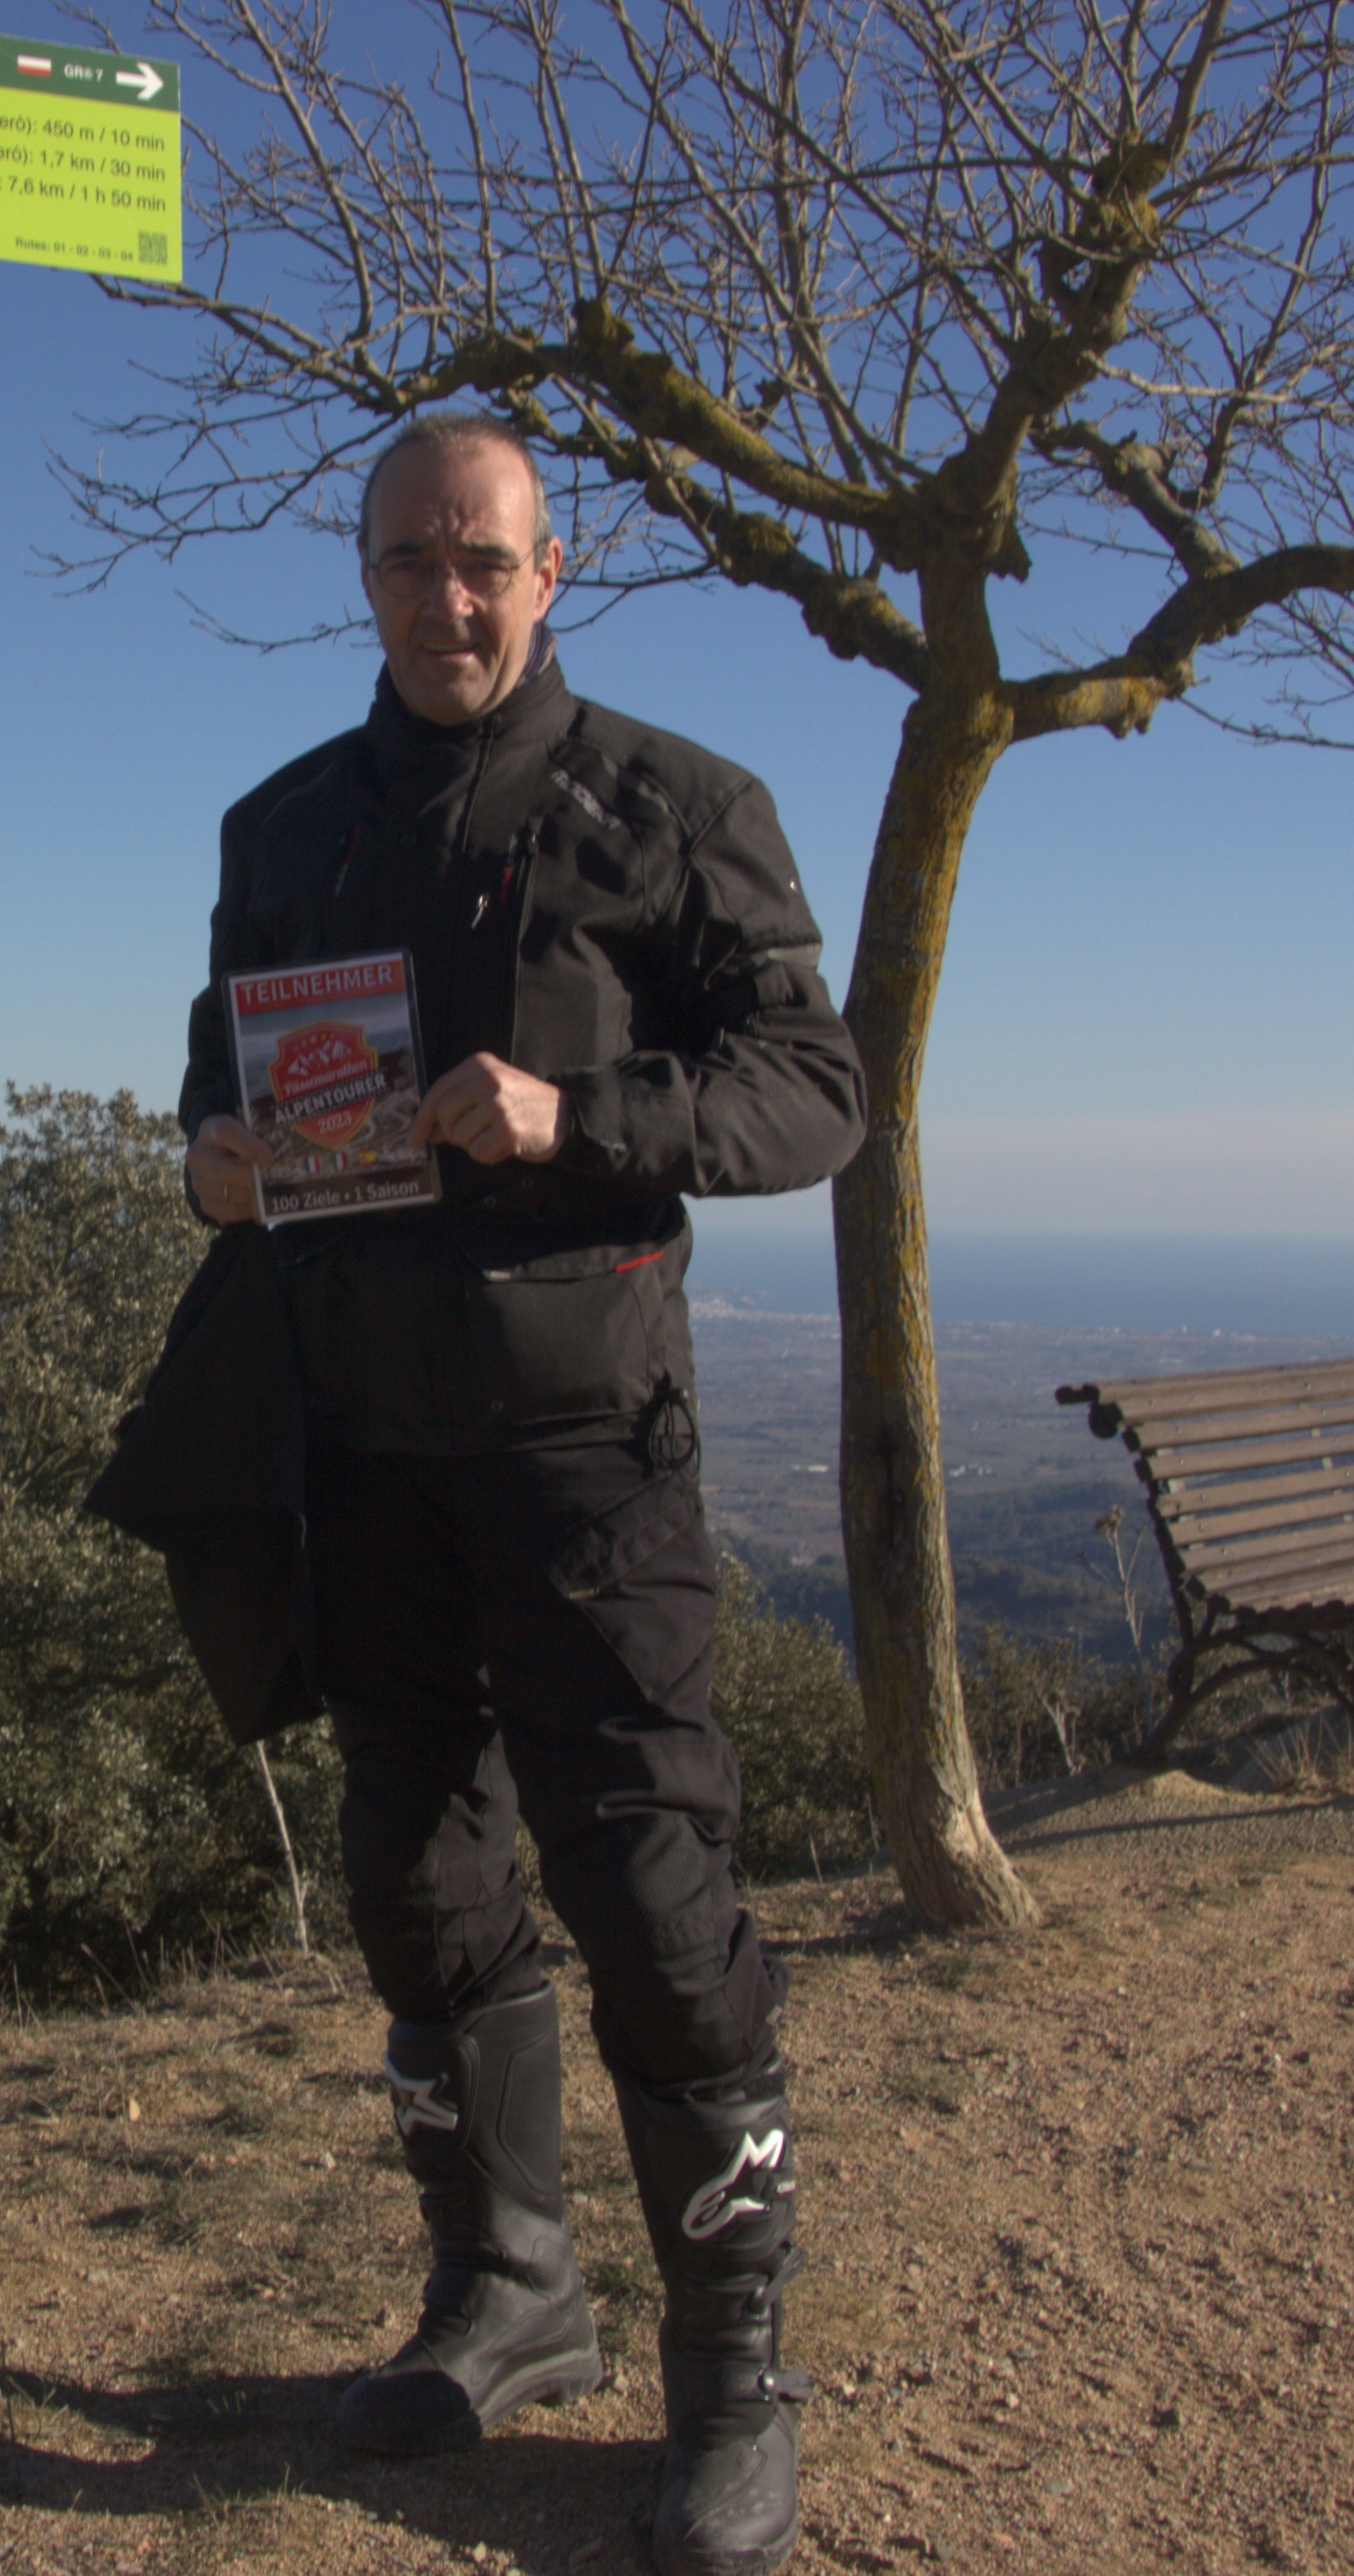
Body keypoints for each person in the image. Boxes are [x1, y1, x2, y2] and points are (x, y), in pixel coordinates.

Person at [166, 411, 866, 2576]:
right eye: (408, 561)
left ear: (551, 571)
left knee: (652, 1893)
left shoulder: (681, 808)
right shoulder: (281, 823)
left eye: (483, 560)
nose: (446, 599)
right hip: (360, 1449)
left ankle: (731, 2375)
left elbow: (816, 1091)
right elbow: (210, 1087)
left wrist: (582, 1114)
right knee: (414, 1881)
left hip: (586, 1454)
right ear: (363, 576)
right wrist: (213, 1159)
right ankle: (512, 2288)